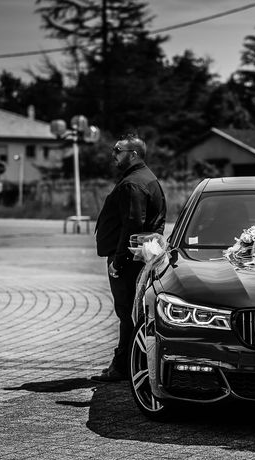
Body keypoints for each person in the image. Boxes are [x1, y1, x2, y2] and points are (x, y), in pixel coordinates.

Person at [92, 133, 166, 382]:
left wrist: (119, 260)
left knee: (127, 313)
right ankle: (128, 362)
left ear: (133, 154)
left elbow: (133, 224)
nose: (113, 154)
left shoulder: (133, 183)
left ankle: (123, 367)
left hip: (129, 259)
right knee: (131, 313)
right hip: (138, 256)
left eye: (117, 150)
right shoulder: (144, 177)